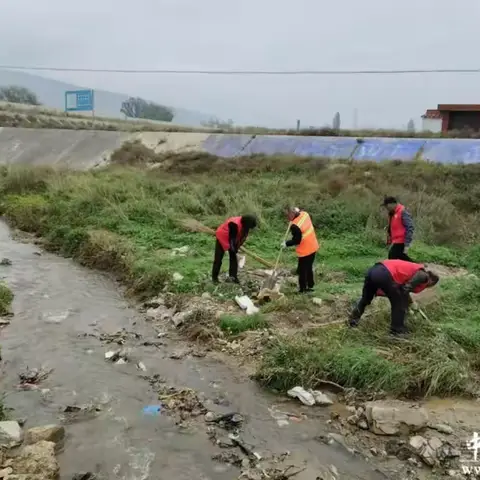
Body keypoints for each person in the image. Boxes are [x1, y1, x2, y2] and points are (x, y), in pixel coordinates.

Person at [349, 259, 439, 336]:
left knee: (366, 299)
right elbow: (405, 289)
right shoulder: (424, 276)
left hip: (374, 270)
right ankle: (397, 331)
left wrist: (410, 302)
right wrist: (406, 304)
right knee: (399, 304)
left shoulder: (413, 271)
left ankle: (353, 321)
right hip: (385, 273)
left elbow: (401, 289)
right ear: (432, 281)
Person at [282, 207, 319, 293]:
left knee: (302, 270)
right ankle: (310, 285)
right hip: (313, 246)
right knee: (309, 267)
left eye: (288, 216)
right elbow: (300, 211)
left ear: (292, 214)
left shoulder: (295, 226)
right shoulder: (305, 214)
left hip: (305, 250)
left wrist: (286, 244)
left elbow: (296, 240)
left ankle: (303, 289)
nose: (288, 218)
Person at [212, 214, 257, 284]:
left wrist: (237, 247)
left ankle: (233, 277)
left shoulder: (246, 226)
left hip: (231, 238)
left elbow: (242, 238)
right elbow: (231, 239)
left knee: (233, 258)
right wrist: (233, 249)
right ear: (247, 223)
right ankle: (214, 278)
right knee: (218, 258)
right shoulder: (234, 224)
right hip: (222, 236)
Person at [382, 196, 414, 261]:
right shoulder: (392, 213)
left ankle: (418, 267)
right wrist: (389, 240)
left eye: (387, 206)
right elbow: (391, 228)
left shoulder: (403, 212)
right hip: (396, 241)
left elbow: (410, 227)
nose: (386, 208)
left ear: (392, 204)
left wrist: (407, 244)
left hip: (402, 240)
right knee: (399, 257)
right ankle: (418, 267)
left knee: (393, 256)